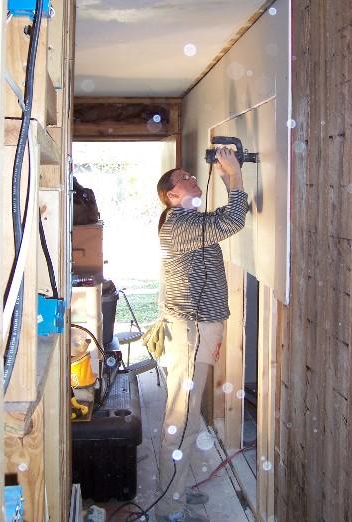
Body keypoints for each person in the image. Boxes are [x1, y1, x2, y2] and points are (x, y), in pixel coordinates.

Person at [154, 147, 248, 522]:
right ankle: (168, 506)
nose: (193, 178)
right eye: (185, 178)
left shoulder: (190, 220)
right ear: (172, 195)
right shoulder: (178, 223)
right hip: (191, 329)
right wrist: (236, 177)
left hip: (198, 327)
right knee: (182, 415)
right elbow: (231, 223)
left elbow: (225, 218)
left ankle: (173, 490)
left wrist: (228, 181)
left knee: (188, 416)